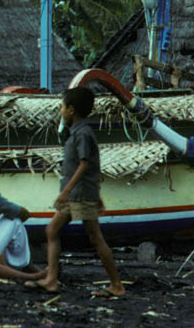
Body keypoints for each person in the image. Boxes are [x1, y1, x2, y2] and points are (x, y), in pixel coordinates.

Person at [40, 87, 124, 296]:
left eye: (62, 107)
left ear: (71, 109)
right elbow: (91, 167)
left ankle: (116, 285)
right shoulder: (79, 132)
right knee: (54, 231)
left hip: (78, 195)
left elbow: (85, 164)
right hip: (81, 194)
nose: (61, 111)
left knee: (93, 237)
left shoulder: (83, 133)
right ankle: (51, 278)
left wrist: (65, 192)